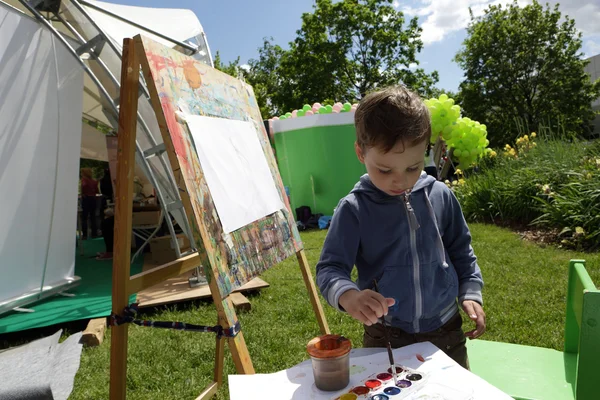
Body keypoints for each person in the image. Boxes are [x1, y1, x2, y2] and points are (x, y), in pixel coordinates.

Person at [315, 86, 485, 369]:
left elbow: (461, 250)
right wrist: (348, 295)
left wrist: (470, 292)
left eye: (413, 167)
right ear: (361, 152)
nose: (401, 181)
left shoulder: (440, 196)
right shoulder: (354, 209)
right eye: (384, 170)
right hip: (386, 335)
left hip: (446, 330)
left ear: (425, 152)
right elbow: (329, 268)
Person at [80, 168, 99, 240]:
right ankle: (94, 233)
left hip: (86, 199)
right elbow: (97, 191)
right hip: (93, 199)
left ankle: (84, 235)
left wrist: (83, 193)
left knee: (84, 217)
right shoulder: (94, 181)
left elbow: (83, 186)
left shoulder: (84, 180)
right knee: (93, 217)